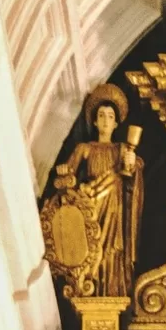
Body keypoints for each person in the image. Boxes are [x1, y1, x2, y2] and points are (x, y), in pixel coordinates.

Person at [62, 84, 143, 295]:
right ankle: (91, 282)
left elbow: (133, 175)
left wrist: (133, 164)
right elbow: (67, 175)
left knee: (111, 249)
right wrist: (64, 171)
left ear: (116, 123)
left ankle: (110, 288)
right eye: (101, 115)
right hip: (92, 204)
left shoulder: (122, 149)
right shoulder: (85, 149)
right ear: (95, 121)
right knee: (92, 244)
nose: (106, 120)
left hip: (114, 208)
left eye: (110, 116)